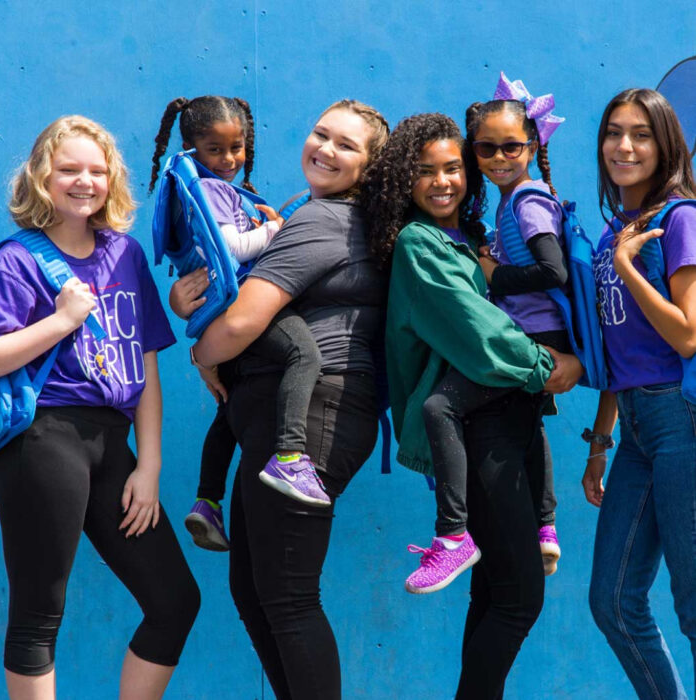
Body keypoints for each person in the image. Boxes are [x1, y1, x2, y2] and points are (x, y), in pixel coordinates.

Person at [362, 112, 582, 698]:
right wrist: (550, 365)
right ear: (403, 182)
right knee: (518, 599)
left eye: (452, 168)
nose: (442, 181)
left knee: (493, 595)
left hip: (513, 417)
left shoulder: (476, 235)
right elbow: (478, 329)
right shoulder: (420, 243)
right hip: (480, 426)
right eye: (425, 171)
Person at [183, 99, 389, 699]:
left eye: (346, 145)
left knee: (289, 597)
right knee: (255, 592)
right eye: (320, 133)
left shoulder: (322, 220)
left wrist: (202, 355)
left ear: (372, 166)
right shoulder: (314, 213)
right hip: (273, 421)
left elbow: (244, 320)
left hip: (310, 419)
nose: (325, 148)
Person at [0, 115, 200, 700]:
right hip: (43, 440)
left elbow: (148, 366)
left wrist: (150, 464)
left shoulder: (124, 254)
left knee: (175, 601)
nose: (84, 181)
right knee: (40, 612)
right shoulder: (15, 260)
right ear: (41, 178)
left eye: (96, 170)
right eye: (68, 170)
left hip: (115, 445)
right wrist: (61, 321)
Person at [150, 95, 327, 553]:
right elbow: (229, 249)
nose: (228, 159)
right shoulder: (211, 190)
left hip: (221, 317)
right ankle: (290, 454)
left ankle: (207, 500)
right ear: (190, 147)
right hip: (239, 306)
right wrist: (275, 231)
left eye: (237, 147)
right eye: (215, 149)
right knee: (304, 353)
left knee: (228, 409)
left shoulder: (209, 187)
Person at [583, 88, 696, 700]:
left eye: (641, 134)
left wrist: (629, 268)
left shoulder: (679, 220)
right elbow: (613, 351)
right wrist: (601, 442)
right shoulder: (615, 234)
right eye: (613, 133)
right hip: (633, 428)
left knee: (694, 601)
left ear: (666, 146)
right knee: (613, 601)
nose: (624, 146)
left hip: (680, 419)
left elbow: (688, 334)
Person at [467, 72, 570, 577]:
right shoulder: (513, 201)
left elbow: (553, 270)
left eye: (511, 146)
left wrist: (494, 274)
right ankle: (542, 527)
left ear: (532, 145)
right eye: (487, 149)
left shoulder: (528, 200)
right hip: (531, 332)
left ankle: (536, 524)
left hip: (537, 335)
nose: (500, 158)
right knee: (528, 430)